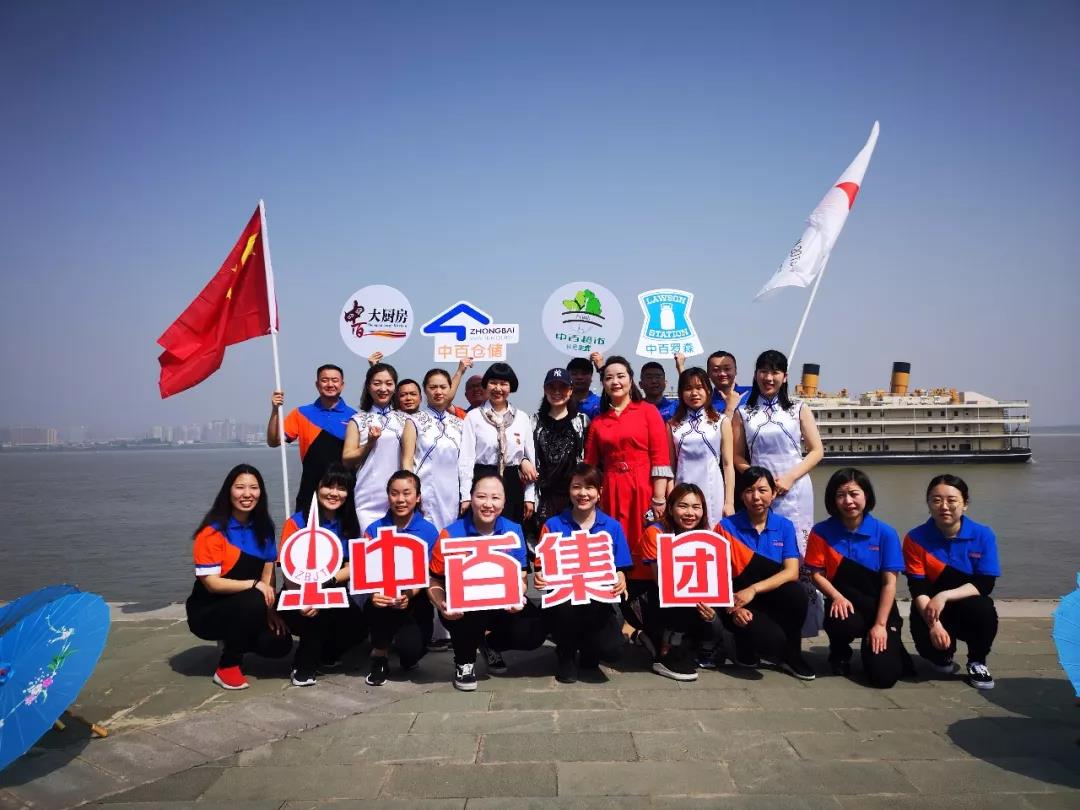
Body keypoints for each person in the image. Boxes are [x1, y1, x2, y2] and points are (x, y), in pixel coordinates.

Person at [583, 355, 673, 640]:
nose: (615, 382)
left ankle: (651, 620)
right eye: (609, 377)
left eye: (620, 376)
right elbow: (590, 466)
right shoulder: (599, 422)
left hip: (643, 489)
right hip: (611, 491)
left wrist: (659, 498)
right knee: (615, 549)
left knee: (646, 548)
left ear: (631, 379)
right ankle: (625, 614)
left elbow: (660, 457)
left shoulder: (648, 412)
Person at [427, 475, 546, 691]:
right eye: (481, 496)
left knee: (533, 631)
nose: (488, 504)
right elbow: (434, 580)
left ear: (504, 501)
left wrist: (518, 594)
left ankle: (490, 644)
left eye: (495, 498)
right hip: (464, 609)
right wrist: (441, 603)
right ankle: (464, 662)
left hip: (501, 605)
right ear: (471, 498)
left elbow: (521, 576)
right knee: (465, 612)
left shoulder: (513, 530)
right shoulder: (450, 534)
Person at [186, 464, 292, 690]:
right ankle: (228, 665)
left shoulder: (264, 528)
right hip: (208, 609)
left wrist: (270, 611)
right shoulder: (211, 532)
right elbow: (211, 584)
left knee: (280, 644)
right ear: (229, 491)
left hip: (248, 603)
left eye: (253, 487)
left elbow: (268, 574)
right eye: (240, 487)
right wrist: (254, 585)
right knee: (255, 599)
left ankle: (235, 638)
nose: (247, 494)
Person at [805, 468, 912, 688]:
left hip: (879, 610)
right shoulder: (821, 532)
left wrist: (880, 625)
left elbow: (890, 583)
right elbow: (815, 574)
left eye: (854, 494)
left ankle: (885, 642)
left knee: (883, 678)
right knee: (839, 620)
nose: (848, 501)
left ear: (866, 495)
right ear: (833, 499)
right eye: (841, 495)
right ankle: (839, 652)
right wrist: (836, 597)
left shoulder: (885, 533)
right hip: (845, 607)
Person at [715, 467, 813, 680]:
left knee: (796, 593)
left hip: (769, 595)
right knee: (771, 643)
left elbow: (791, 572)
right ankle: (739, 642)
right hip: (739, 601)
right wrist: (732, 608)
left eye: (762, 490)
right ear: (742, 495)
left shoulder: (784, 526)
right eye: (749, 491)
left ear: (774, 493)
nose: (756, 497)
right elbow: (717, 577)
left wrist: (753, 589)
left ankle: (793, 655)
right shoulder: (725, 527)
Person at [903, 474, 1001, 690]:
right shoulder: (915, 538)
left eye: (952, 500)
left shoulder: (983, 535)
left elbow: (985, 584)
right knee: (939, 662)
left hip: (967, 606)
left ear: (965, 503)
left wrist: (944, 595)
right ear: (928, 504)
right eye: (936, 500)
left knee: (984, 607)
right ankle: (942, 654)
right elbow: (917, 587)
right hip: (930, 608)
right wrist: (934, 625)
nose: (944, 506)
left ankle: (977, 661)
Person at [537, 463, 631, 684]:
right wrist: (541, 576)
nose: (583, 493)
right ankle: (566, 652)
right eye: (576, 487)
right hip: (565, 603)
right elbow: (542, 566)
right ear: (569, 491)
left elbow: (620, 566)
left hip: (598, 602)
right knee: (566, 610)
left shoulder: (612, 527)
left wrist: (621, 577)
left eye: (589, 487)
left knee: (613, 650)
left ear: (599, 492)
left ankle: (589, 648)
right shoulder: (553, 525)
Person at [278, 464, 367, 687]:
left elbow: (353, 565)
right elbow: (287, 568)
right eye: (328, 486)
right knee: (315, 616)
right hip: (296, 591)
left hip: (332, 589)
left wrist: (326, 583)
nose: (334, 493)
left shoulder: (349, 524)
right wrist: (304, 597)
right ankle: (303, 665)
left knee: (359, 626)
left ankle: (327, 653)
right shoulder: (296, 522)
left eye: (341, 488)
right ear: (317, 488)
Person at [732, 349, 823, 555]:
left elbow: (817, 451)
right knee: (763, 542)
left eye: (775, 372)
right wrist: (759, 480)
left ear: (785, 377)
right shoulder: (743, 412)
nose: (769, 378)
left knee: (799, 546)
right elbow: (736, 456)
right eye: (763, 371)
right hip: (759, 490)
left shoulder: (798, 408)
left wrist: (790, 478)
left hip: (795, 487)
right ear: (756, 375)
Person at [359, 471, 440, 685]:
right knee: (378, 606)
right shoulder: (374, 529)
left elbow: (428, 574)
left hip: (414, 599)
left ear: (418, 497)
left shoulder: (429, 531)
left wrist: (408, 595)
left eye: (407, 493)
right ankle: (379, 656)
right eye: (394, 493)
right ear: (388, 496)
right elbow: (364, 571)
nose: (400, 499)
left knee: (411, 653)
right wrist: (373, 594)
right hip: (382, 599)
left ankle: (405, 649)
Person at [640, 483, 719, 681]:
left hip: (688, 596)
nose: (690, 513)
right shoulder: (656, 533)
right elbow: (661, 582)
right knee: (679, 605)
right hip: (651, 595)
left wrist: (710, 606)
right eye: (683, 506)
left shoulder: (706, 536)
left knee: (713, 624)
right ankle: (663, 650)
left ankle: (675, 641)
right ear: (670, 508)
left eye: (696, 507)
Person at [268, 364, 357, 513]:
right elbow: (273, 441)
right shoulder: (301, 413)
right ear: (317, 384)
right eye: (325, 380)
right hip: (310, 489)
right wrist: (275, 410)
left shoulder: (355, 416)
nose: (330, 384)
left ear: (342, 385)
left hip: (344, 491)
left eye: (335, 380)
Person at [458, 362, 538, 525]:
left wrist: (529, 497)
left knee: (510, 530)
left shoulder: (521, 418)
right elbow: (466, 459)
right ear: (486, 385)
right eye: (493, 383)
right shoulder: (473, 417)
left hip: (512, 482)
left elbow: (530, 459)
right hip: (482, 479)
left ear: (511, 387)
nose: (498, 388)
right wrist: (466, 495)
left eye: (503, 384)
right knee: (482, 528)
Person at [343, 362, 409, 532]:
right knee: (370, 541)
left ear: (395, 387)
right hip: (369, 494)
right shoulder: (358, 420)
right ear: (368, 386)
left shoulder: (406, 420)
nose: (383, 388)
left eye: (389, 383)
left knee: (400, 543)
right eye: (377, 383)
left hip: (400, 494)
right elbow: (347, 459)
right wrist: (369, 444)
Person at [669, 367, 735, 527]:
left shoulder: (721, 421)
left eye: (699, 387)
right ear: (681, 393)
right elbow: (670, 468)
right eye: (688, 388)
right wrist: (670, 499)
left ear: (708, 390)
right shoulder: (672, 425)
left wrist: (729, 502)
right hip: (682, 490)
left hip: (713, 489)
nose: (694, 393)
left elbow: (728, 465)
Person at [532, 367, 590, 532]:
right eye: (552, 387)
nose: (557, 392)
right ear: (545, 390)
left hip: (575, 495)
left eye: (562, 387)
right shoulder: (534, 422)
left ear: (570, 390)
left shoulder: (582, 422)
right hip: (544, 497)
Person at [676, 350, 750, 415]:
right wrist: (680, 366)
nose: (722, 373)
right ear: (708, 373)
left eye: (727, 369)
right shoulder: (705, 401)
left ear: (735, 370)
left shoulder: (751, 393)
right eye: (716, 370)